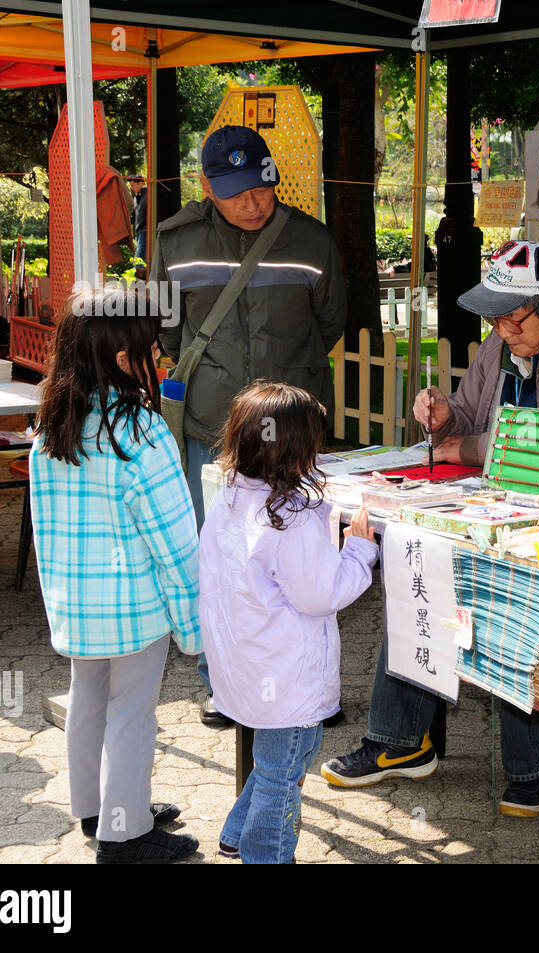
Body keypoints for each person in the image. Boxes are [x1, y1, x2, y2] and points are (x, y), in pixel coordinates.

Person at [321, 241, 539, 816]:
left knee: (518, 583)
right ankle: (402, 740)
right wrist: (445, 414)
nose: (501, 329)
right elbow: (470, 416)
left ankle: (533, 765)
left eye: (512, 316)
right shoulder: (504, 342)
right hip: (501, 502)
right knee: (416, 555)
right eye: (494, 316)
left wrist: (463, 446)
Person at [153, 124, 347, 728]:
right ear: (207, 186)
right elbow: (163, 329)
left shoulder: (312, 243)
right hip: (212, 431)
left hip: (291, 435)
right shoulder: (175, 244)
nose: (252, 203)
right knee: (221, 556)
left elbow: (332, 322)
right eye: (235, 193)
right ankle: (225, 685)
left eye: (260, 188)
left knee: (304, 555)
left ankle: (307, 687)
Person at [29, 285, 201, 864]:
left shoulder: (50, 428)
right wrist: (194, 626)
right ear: (126, 359)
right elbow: (176, 543)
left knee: (89, 701)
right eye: (154, 349)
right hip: (134, 608)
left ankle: (98, 808)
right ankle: (123, 834)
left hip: (75, 604)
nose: (161, 359)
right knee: (132, 714)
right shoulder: (142, 432)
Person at [200, 381, 379, 864]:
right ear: (298, 450)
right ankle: (266, 854)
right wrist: (360, 549)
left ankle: (237, 833)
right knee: (284, 772)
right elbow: (322, 595)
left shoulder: (230, 497)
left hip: (246, 667)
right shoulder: (291, 515)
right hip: (286, 677)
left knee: (276, 761)